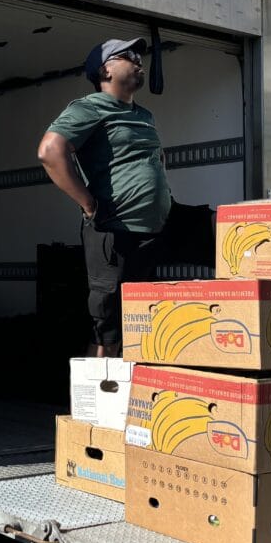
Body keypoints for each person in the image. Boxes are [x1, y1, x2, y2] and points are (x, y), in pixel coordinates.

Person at [37, 38, 172, 357]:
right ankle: (95, 404)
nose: (139, 61)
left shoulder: (145, 115)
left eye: (141, 56)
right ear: (105, 70)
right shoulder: (88, 107)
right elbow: (50, 152)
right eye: (129, 56)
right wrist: (88, 203)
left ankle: (130, 400)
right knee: (107, 324)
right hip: (112, 230)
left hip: (150, 232)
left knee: (138, 321)